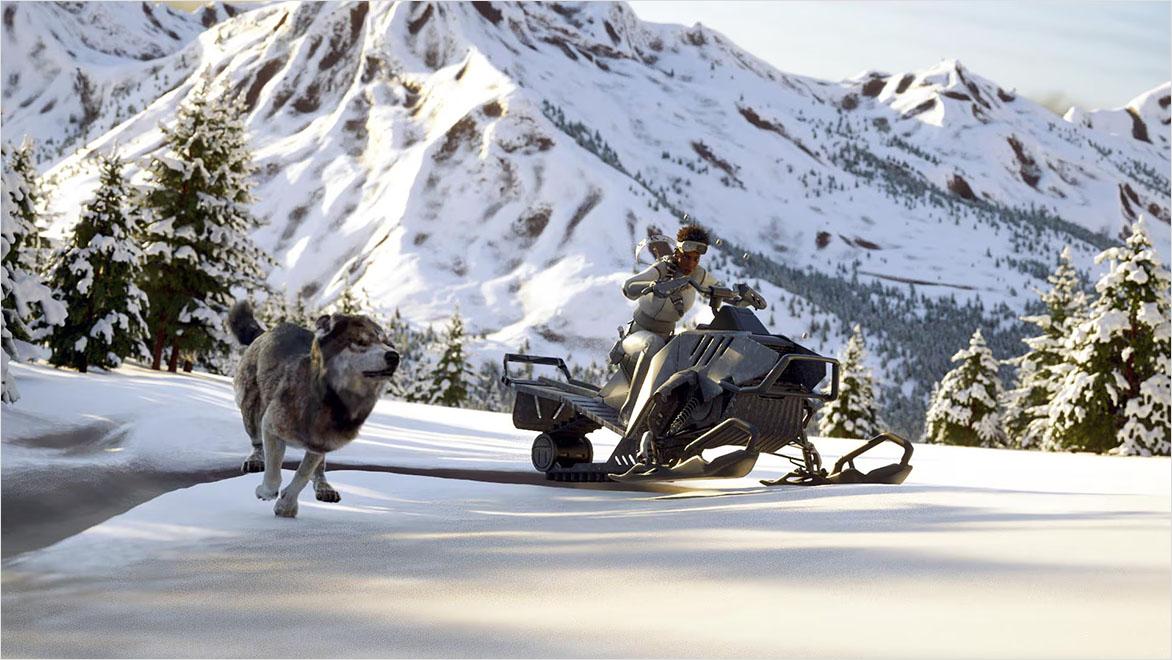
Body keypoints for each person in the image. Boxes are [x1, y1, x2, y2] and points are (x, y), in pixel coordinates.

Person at [616, 225, 720, 364]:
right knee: (653, 345)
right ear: (677, 253)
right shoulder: (663, 269)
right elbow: (628, 287)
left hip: (666, 338)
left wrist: (743, 297)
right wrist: (652, 286)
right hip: (638, 336)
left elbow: (720, 290)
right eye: (686, 257)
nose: (691, 264)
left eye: (696, 259)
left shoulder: (698, 275)